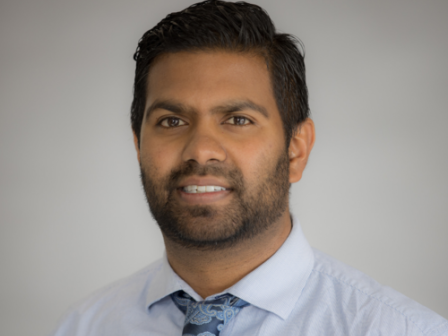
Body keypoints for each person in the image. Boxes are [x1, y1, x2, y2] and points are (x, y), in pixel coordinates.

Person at [51, 1, 448, 335]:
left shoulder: (401, 330)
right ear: (138, 146)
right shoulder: (84, 325)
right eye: (172, 121)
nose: (202, 150)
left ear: (296, 150)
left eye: (238, 120)